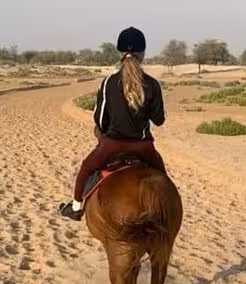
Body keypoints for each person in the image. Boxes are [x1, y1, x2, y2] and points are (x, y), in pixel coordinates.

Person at [59, 26, 168, 221]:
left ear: (120, 52)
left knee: (85, 168)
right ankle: (167, 213)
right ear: (142, 54)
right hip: (144, 147)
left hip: (112, 144)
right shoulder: (152, 84)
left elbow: (100, 120)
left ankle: (75, 208)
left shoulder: (108, 82)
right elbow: (159, 120)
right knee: (163, 180)